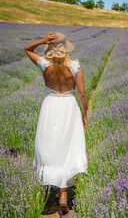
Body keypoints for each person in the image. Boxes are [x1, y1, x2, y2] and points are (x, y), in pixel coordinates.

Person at [24, 32, 88, 213]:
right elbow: (82, 94)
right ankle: (63, 196)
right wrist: (84, 114)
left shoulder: (44, 64)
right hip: (69, 107)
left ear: (50, 48)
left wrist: (42, 41)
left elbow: (27, 49)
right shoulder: (75, 66)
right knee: (67, 148)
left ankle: (46, 188)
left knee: (49, 146)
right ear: (66, 47)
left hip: (50, 106)